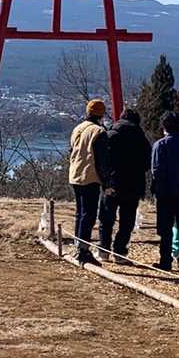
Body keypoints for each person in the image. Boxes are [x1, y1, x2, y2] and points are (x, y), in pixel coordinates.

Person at [99, 106, 150, 260]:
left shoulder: (111, 135)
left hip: (112, 182)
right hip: (134, 184)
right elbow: (147, 163)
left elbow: (103, 160)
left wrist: (105, 180)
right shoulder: (141, 138)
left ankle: (104, 249)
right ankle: (120, 251)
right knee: (127, 221)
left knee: (106, 218)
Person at [150, 110, 179, 271]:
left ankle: (165, 260)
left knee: (165, 229)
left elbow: (156, 171)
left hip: (166, 194)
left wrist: (156, 190)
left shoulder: (160, 145)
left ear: (164, 126)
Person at [67, 98, 110, 262]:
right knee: (89, 214)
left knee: (80, 213)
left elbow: (71, 150)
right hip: (90, 176)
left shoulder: (78, 128)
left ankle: (77, 245)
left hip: (75, 174)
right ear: (102, 114)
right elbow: (102, 161)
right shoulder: (98, 132)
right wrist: (107, 183)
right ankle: (83, 250)